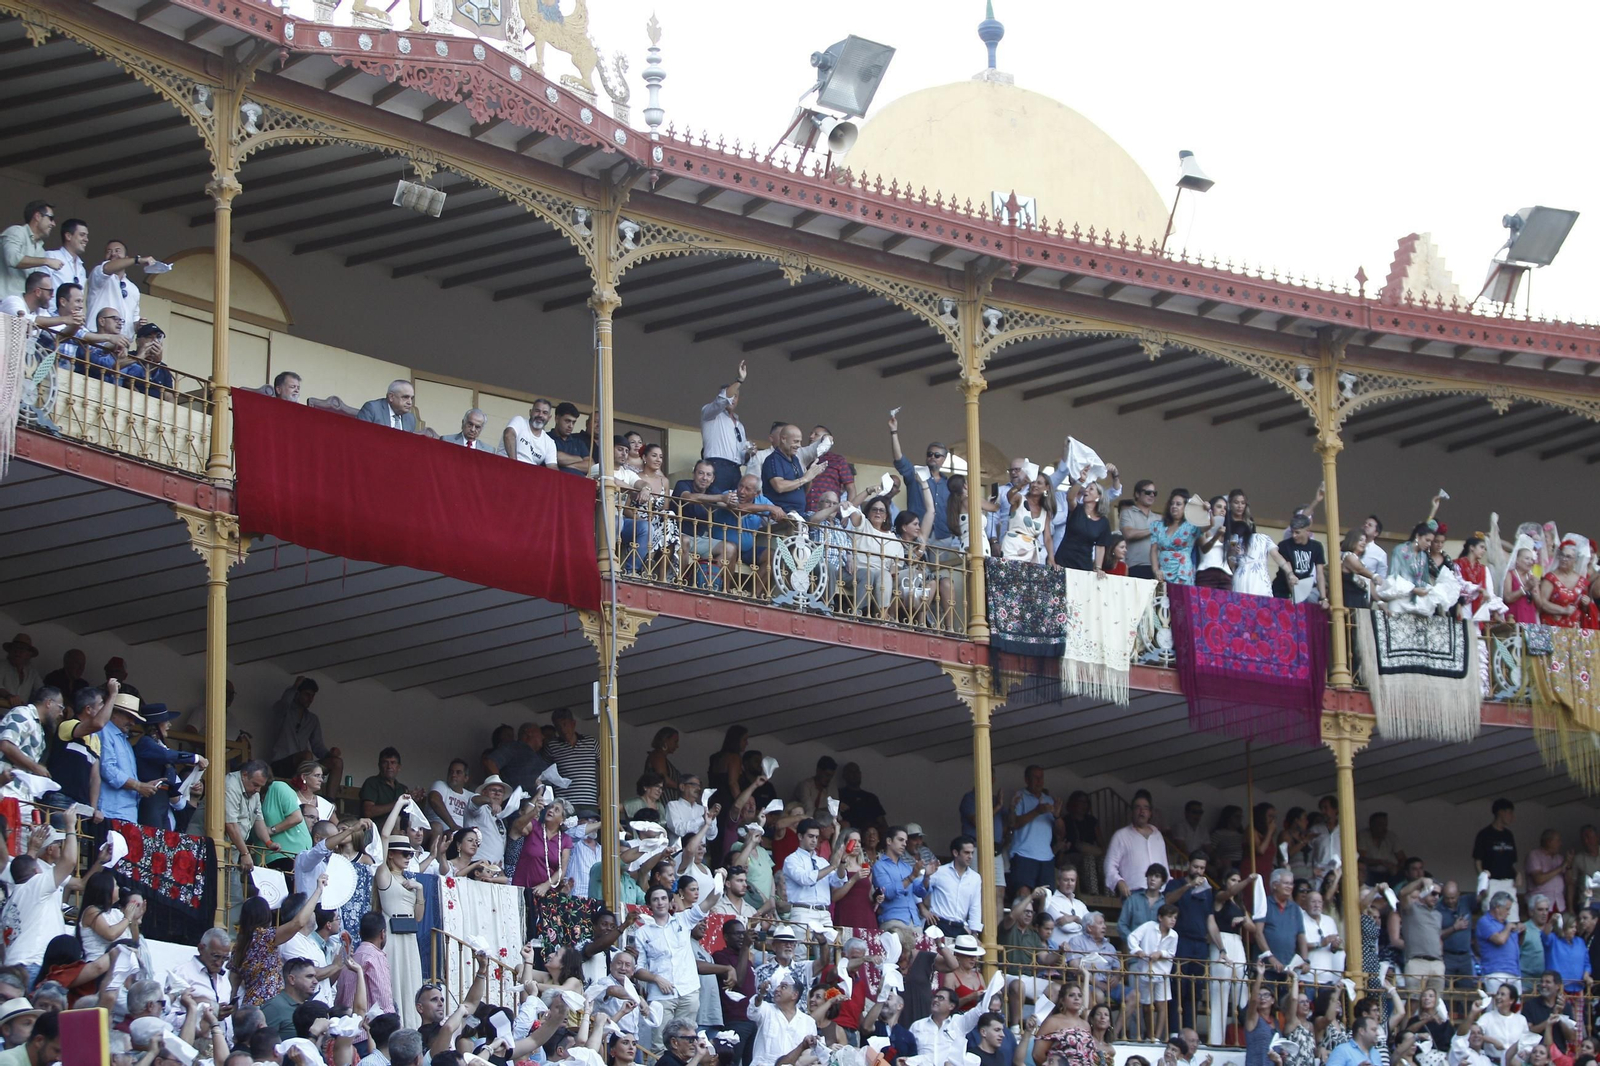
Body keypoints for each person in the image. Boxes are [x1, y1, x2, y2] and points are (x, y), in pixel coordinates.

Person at [1105, 790, 1168, 898]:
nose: (1142, 811)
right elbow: (1109, 865)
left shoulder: (1157, 835)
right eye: (1138, 807)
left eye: (1145, 808)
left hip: (1159, 894)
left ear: (1150, 813)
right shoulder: (1121, 835)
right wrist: (1119, 881)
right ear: (1132, 811)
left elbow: (1164, 866)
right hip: (1134, 893)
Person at [1054, 471, 1113, 572]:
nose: (1086, 490)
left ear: (1098, 497)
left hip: (1084, 564)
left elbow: (1100, 546)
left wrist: (1098, 567)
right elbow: (1070, 498)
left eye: (1091, 489)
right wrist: (1081, 481)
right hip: (1064, 560)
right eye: (1087, 488)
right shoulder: (1077, 509)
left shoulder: (1103, 522)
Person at [1475, 800, 1521, 922]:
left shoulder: (1509, 835)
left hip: (1509, 883)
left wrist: (1517, 874)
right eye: (1510, 813)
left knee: (1512, 918)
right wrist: (1483, 882)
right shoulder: (1484, 834)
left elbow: (1512, 862)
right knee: (1492, 918)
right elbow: (1478, 861)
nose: (1512, 817)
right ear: (1500, 812)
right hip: (1492, 883)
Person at [1150, 489, 1201, 587]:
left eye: (1178, 504)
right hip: (1162, 571)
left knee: (1182, 596)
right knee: (1163, 596)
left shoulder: (1192, 525)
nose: (1174, 506)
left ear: (1185, 507)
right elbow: (1153, 550)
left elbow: (1208, 525)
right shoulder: (1158, 526)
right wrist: (1155, 570)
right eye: (1172, 504)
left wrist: (1206, 510)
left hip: (1182, 571)